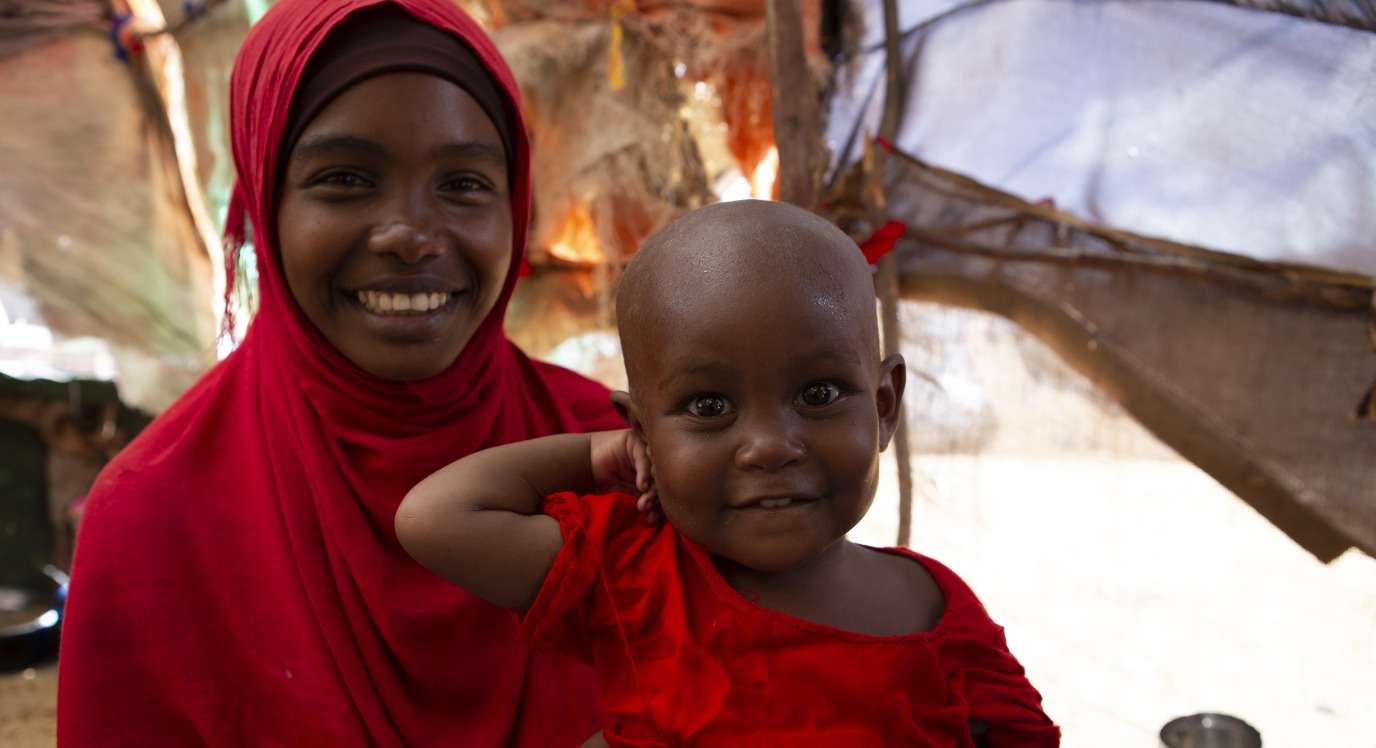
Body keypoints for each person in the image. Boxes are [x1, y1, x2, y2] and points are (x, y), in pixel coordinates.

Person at [56, 0, 624, 745]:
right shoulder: (156, 520)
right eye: (346, 180)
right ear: (264, 204)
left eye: (464, 184)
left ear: (515, 207)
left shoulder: (614, 464)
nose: (411, 236)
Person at [396, 198, 1062, 746]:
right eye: (708, 406)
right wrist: (598, 453)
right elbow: (435, 520)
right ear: (644, 434)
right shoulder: (636, 574)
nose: (770, 446)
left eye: (819, 394)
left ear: (885, 406)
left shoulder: (937, 611)